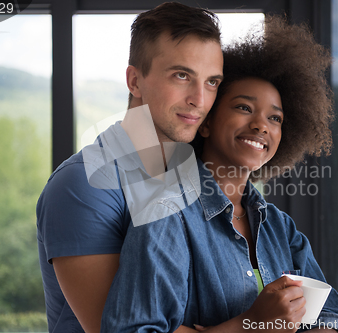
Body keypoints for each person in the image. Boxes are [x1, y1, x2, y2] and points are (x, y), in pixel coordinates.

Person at [101, 15, 338, 333]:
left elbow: (337, 317)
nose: (262, 125)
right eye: (244, 108)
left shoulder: (280, 227)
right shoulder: (165, 215)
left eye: (275, 118)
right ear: (205, 121)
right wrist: (250, 325)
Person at [36, 2, 223, 333]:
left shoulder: (196, 180)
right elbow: (123, 327)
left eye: (212, 82)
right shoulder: (83, 185)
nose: (200, 99)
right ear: (135, 81)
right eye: (182, 75)